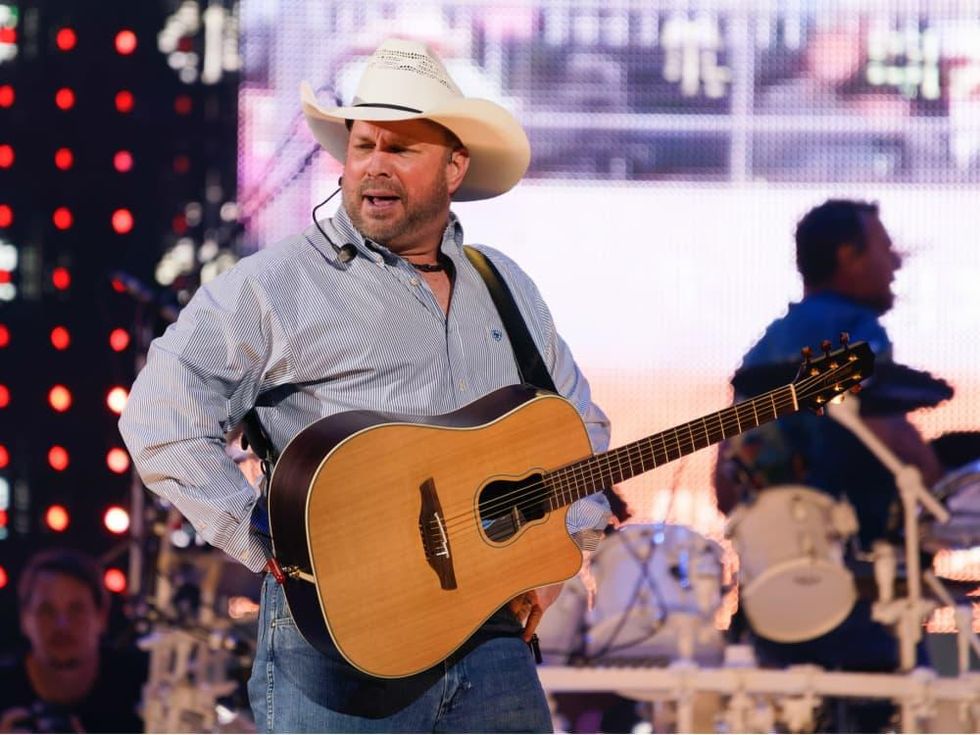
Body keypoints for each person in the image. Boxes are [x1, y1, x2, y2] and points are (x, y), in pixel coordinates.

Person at [120, 37, 613, 733]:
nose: (375, 164)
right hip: (340, 649)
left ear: (454, 165)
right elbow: (159, 415)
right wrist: (268, 539)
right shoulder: (275, 285)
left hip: (488, 638)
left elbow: (579, 425)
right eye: (363, 145)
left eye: (401, 148)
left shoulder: (502, 286)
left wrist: (568, 540)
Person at [714, 199, 946, 731]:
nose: (896, 264)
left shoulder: (760, 354)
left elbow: (725, 490)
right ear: (849, 256)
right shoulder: (852, 328)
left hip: (773, 606)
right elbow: (886, 428)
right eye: (886, 248)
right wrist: (939, 487)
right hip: (862, 602)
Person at [0, 549, 145, 733]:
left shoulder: (140, 682)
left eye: (76, 609)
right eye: (46, 610)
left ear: (101, 617)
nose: (62, 625)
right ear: (24, 620)